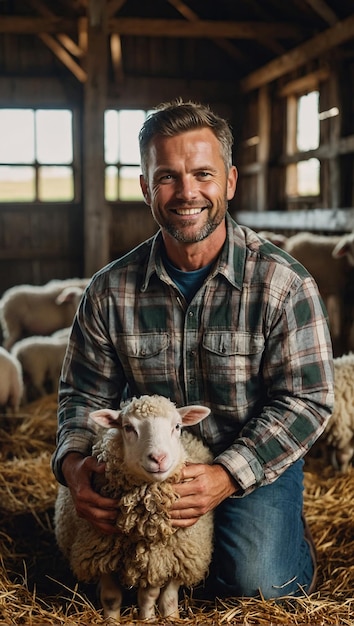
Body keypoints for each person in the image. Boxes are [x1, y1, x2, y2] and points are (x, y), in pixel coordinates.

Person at [52, 99, 334, 601]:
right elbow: (81, 395)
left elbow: (308, 400)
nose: (186, 193)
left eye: (203, 174)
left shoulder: (283, 284)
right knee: (93, 571)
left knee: (258, 585)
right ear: (144, 187)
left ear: (228, 181)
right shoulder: (109, 291)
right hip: (149, 464)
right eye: (167, 177)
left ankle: (281, 539)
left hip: (250, 460)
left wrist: (227, 475)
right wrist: (74, 467)